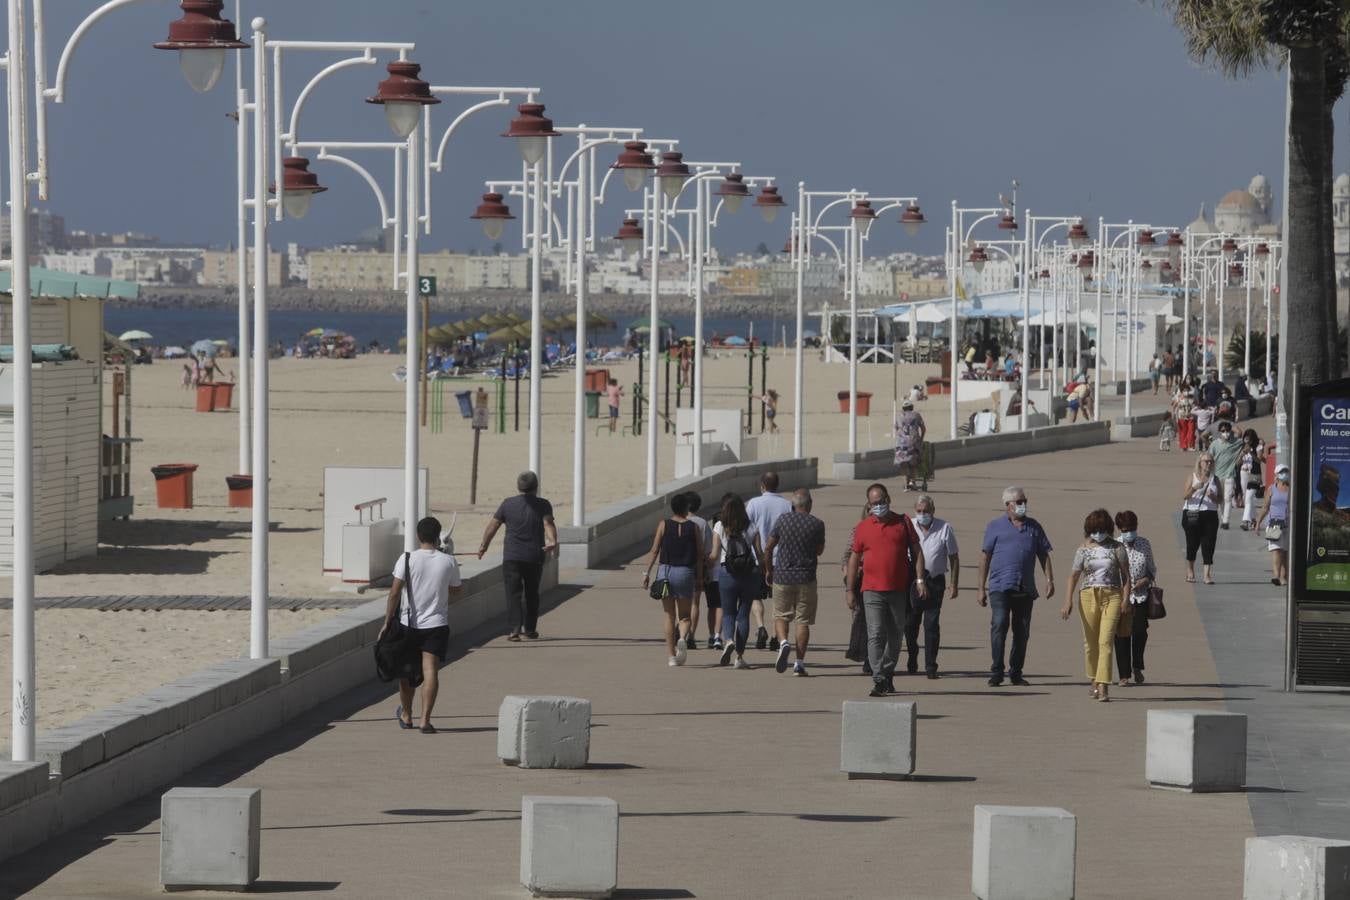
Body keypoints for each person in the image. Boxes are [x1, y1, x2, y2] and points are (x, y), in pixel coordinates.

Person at [381, 516, 463, 733]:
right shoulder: (448, 561)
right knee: (431, 671)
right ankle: (425, 720)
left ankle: (407, 715)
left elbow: (394, 592)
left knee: (406, 672)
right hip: (436, 624)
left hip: (409, 623)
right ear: (438, 536)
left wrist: (387, 620)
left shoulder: (407, 559)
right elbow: (456, 589)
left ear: (418, 536)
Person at [846, 483, 926, 696]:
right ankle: (879, 677)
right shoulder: (863, 527)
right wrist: (850, 590)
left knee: (895, 634)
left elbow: (917, 552)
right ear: (868, 505)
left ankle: (888, 671)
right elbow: (854, 559)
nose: (878, 506)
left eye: (881, 501)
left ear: (888, 499)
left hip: (898, 589)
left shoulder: (903, 522)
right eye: (874, 503)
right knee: (875, 633)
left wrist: (920, 580)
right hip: (871, 590)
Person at [977, 486, 1054, 687]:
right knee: (1000, 624)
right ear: (1008, 505)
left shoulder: (1034, 527)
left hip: (1025, 587)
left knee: (1022, 630)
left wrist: (1049, 580)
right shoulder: (995, 526)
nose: (1023, 505)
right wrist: (980, 588)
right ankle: (996, 671)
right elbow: (985, 557)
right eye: (1019, 502)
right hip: (1000, 586)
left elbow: (1044, 554)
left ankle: (1016, 672)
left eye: (1024, 501)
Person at [1059, 509, 1130, 702]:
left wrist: (1125, 599)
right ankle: (1093, 680)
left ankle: (1104, 685)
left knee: (1105, 641)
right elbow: (1073, 576)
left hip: (1111, 595)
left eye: (1101, 529)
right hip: (1088, 596)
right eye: (1093, 530)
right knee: (1091, 644)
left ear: (1108, 529)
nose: (1097, 533)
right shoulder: (1083, 549)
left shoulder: (1117, 548)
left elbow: (1126, 576)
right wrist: (1068, 601)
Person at [478, 471, 557, 640]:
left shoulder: (508, 504)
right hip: (534, 556)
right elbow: (548, 523)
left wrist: (484, 545)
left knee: (513, 593)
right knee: (532, 593)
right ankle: (529, 629)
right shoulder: (543, 504)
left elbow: (494, 525)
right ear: (536, 487)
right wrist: (552, 540)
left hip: (512, 556)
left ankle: (514, 630)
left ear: (518, 487)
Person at [763, 488, 826, 676]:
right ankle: (799, 663)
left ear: (793, 504)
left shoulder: (783, 520)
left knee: (781, 615)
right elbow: (819, 550)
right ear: (809, 504)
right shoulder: (817, 524)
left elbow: (768, 548)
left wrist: (768, 570)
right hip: (806, 577)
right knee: (803, 621)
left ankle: (783, 642)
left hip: (782, 576)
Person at [641, 493, 704, 667]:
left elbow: (654, 550)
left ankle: (671, 657)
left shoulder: (664, 524)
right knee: (684, 617)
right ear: (686, 508)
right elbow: (699, 554)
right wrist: (700, 577)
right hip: (685, 572)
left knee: (669, 615)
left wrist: (646, 573)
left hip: (665, 572)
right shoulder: (693, 527)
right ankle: (682, 637)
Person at [904, 494, 959, 679]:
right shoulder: (908, 526)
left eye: (926, 511)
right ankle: (912, 655)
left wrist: (954, 583)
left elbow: (953, 557)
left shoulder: (945, 528)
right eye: (919, 511)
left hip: (935, 581)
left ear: (933, 511)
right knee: (911, 623)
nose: (922, 514)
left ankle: (931, 666)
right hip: (913, 581)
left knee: (932, 624)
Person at [710, 493, 764, 670]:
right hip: (749, 574)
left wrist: (703, 563)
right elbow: (759, 554)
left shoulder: (719, 526)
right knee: (743, 614)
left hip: (727, 573)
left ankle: (729, 640)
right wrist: (765, 570)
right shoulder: (751, 527)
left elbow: (715, 555)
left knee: (728, 613)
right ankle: (740, 656)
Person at [746, 471, 792, 651]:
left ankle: (760, 626)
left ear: (762, 485)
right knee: (778, 600)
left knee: (755, 596)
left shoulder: (754, 504)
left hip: (758, 558)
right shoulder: (787, 505)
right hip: (780, 559)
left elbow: (746, 528)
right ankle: (775, 635)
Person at [1113, 511, 1157, 687]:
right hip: (1121, 597)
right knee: (1121, 635)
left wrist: (1145, 580)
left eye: (1132, 529)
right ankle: (1124, 675)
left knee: (1140, 632)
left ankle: (1137, 666)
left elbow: (1152, 570)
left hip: (1141, 596)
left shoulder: (1144, 544)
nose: (1129, 532)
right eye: (1125, 529)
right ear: (1119, 529)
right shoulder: (1114, 545)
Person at [685, 491, 721, 649]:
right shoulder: (702, 523)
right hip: (696, 568)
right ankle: (690, 636)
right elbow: (708, 550)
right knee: (695, 603)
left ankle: (681, 633)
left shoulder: (677, 521)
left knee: (679, 603)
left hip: (678, 568)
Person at [1180, 453, 1221, 585]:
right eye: (1206, 461)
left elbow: (1220, 500)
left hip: (1210, 514)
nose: (1208, 464)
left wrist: (1213, 497)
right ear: (1200, 463)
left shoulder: (1215, 479)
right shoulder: (1192, 477)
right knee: (1192, 544)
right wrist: (1194, 488)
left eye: (1210, 462)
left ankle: (1207, 575)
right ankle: (1190, 569)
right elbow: (1185, 496)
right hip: (1192, 513)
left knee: (1209, 544)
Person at [1256, 464, 1290, 586]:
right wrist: (1258, 522)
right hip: (1274, 523)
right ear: (1276, 475)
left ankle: (1284, 576)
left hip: (1288, 524)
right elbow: (1265, 507)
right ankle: (1276, 575)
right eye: (1282, 471)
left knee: (1285, 551)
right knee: (1276, 549)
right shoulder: (1271, 489)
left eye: (1286, 471)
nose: (1284, 473)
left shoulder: (1292, 488)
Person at [1210, 421, 1243, 531]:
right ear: (1219, 432)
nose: (1226, 433)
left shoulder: (1236, 442)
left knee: (1228, 498)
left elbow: (1241, 433)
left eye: (1228, 431)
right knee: (1220, 500)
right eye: (1223, 431)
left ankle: (1226, 521)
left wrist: (1232, 426)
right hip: (1217, 476)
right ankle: (1223, 518)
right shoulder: (1214, 444)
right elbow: (1209, 458)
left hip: (1230, 475)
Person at [893, 400, 927, 492]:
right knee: (914, 463)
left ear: (903, 408)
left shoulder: (899, 416)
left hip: (901, 444)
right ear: (912, 407)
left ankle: (906, 485)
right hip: (914, 443)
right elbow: (923, 429)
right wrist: (921, 439)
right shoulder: (916, 415)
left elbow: (896, 429)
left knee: (903, 464)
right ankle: (913, 482)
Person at [1238, 429, 1264, 530]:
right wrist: (1242, 454)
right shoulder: (1242, 448)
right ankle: (1254, 519)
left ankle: (1245, 521)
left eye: (1249, 438)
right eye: (1245, 438)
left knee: (1249, 497)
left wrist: (1251, 452)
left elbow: (1259, 460)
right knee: (1247, 498)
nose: (1247, 440)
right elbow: (1237, 463)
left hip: (1254, 475)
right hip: (1244, 473)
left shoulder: (1258, 447)